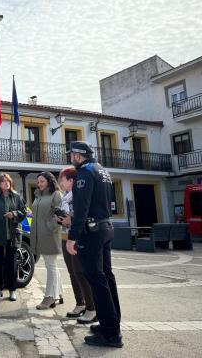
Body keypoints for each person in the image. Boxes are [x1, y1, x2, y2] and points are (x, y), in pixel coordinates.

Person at [65, 141, 123, 348]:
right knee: (106, 276)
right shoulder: (101, 170)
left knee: (97, 279)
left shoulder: (85, 172)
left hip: (92, 232)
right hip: (105, 227)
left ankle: (110, 333)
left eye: (71, 154)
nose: (70, 158)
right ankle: (112, 323)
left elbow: (82, 207)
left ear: (78, 156)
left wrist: (72, 236)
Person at [57, 167, 96, 324]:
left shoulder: (79, 195)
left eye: (63, 179)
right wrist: (60, 219)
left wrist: (70, 220)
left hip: (77, 238)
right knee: (73, 272)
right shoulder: (66, 196)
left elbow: (84, 215)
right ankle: (80, 304)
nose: (61, 182)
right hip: (65, 236)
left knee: (80, 271)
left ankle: (91, 307)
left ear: (71, 180)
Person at [0, 172, 26, 301]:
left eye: (8, 181)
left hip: (13, 236)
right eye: (3, 181)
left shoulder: (16, 196)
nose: (6, 183)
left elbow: (23, 212)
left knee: (12, 265)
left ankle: (12, 290)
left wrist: (14, 214)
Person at [30, 171, 64, 309]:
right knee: (52, 265)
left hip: (50, 235)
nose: (39, 184)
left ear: (49, 181)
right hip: (40, 235)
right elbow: (41, 214)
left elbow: (60, 215)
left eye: (42, 181)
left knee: (50, 266)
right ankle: (59, 293)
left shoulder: (56, 195)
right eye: (38, 182)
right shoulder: (38, 196)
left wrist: (50, 227)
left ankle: (49, 297)